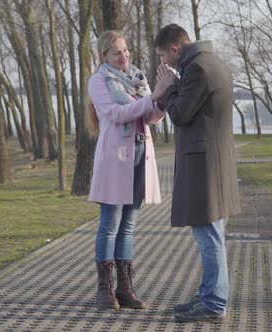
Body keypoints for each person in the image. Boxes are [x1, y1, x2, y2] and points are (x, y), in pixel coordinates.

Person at [154, 24, 241, 322]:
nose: (164, 63)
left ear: (175, 49)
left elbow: (179, 114)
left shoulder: (198, 69)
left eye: (164, 56)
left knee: (208, 236)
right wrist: (176, 85)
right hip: (214, 163)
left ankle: (214, 303)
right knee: (211, 234)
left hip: (205, 166)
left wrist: (168, 87)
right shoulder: (211, 62)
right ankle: (208, 296)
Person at [88, 30, 168, 310]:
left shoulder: (138, 79)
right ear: (104, 56)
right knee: (109, 226)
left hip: (140, 155)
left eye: (126, 51)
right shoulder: (98, 81)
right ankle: (104, 290)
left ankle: (125, 289)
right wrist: (152, 98)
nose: (124, 56)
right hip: (114, 159)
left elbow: (152, 118)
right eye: (117, 52)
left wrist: (161, 99)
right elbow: (114, 113)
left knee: (129, 226)